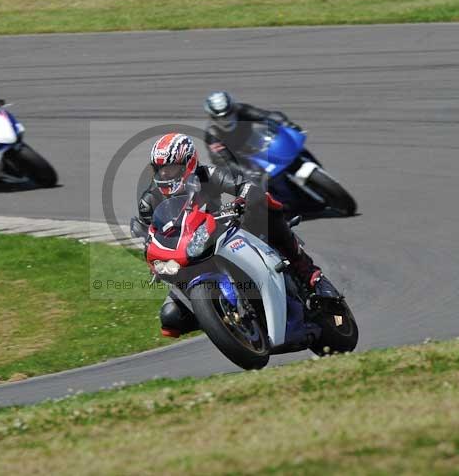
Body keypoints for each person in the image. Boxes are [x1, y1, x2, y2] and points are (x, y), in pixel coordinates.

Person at [136, 132, 339, 337]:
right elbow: (150, 234)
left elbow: (244, 185)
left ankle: (307, 271)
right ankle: (220, 319)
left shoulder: (207, 174)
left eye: (171, 168)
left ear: (188, 163)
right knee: (170, 317)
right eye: (161, 169)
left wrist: (243, 197)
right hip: (187, 253)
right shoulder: (149, 200)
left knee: (264, 204)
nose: (166, 174)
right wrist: (151, 255)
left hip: (222, 231)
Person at [203, 90, 303, 177]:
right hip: (237, 158)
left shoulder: (241, 109)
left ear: (233, 108)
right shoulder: (212, 134)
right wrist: (245, 171)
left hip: (254, 141)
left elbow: (266, 115)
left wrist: (287, 124)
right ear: (212, 116)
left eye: (229, 114)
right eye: (221, 117)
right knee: (256, 186)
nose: (226, 119)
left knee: (288, 146)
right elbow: (222, 160)